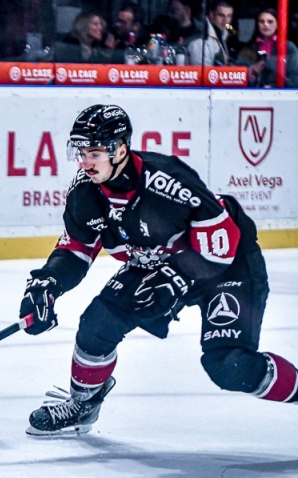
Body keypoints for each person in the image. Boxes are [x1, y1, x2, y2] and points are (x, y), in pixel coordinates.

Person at [20, 104, 298, 436]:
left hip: (226, 265)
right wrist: (48, 283)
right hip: (158, 264)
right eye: (81, 153)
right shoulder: (85, 194)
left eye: (94, 153)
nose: (85, 162)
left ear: (119, 149)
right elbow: (75, 250)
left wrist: (178, 276)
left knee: (230, 366)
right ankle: (83, 405)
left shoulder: (167, 180)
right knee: (97, 324)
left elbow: (222, 241)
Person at [238, 8, 298, 88]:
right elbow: (237, 77)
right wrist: (252, 71)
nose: (265, 25)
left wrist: (273, 86)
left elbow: (295, 79)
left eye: (270, 22)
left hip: (282, 94)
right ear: (257, 25)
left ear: (277, 25)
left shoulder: (289, 48)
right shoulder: (248, 49)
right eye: (261, 21)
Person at [188, 0, 234, 66]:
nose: (225, 21)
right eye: (221, 15)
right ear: (212, 14)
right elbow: (202, 71)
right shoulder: (201, 39)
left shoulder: (222, 33)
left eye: (229, 16)